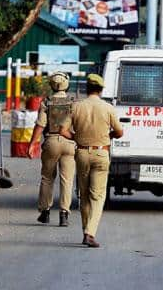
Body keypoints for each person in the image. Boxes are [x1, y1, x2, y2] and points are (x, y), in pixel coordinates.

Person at [60, 74, 123, 248]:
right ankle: (90, 233)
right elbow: (119, 132)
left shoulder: (76, 107)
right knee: (98, 196)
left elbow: (62, 130)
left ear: (87, 88)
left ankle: (85, 231)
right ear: (101, 90)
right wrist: (107, 136)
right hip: (101, 153)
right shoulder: (108, 108)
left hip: (81, 153)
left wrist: (77, 138)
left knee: (85, 194)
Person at [28, 72, 76, 227]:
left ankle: (45, 212)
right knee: (67, 180)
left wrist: (32, 144)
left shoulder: (46, 102)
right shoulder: (73, 102)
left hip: (51, 141)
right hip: (69, 143)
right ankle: (64, 214)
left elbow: (40, 125)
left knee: (47, 178)